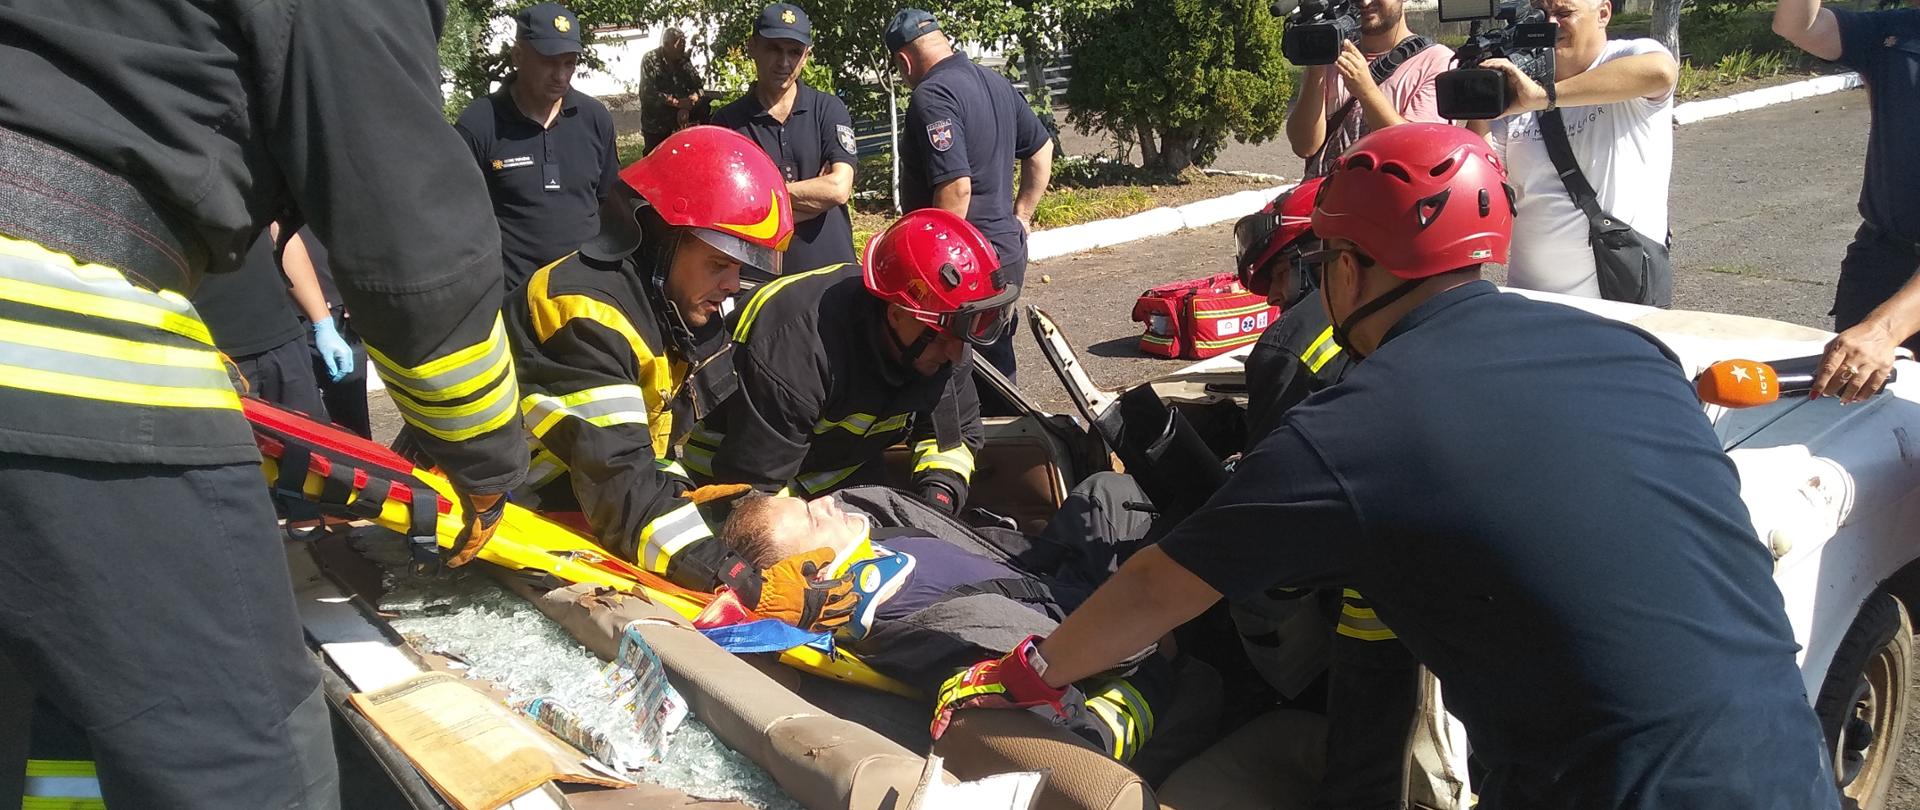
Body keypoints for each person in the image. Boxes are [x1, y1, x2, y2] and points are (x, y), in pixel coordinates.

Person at [929, 124, 1839, 809]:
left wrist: (1031, 673)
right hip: (1787, 760)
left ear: (1353, 270)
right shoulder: (1625, 353)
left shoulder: (1362, 423)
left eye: (1326, 259)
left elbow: (1161, 588)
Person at [0, 0, 530, 805]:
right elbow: (413, 250)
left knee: (59, 713)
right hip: (51, 334)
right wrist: (485, 461)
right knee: (247, 757)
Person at [506, 125, 815, 598]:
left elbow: (651, 457)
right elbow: (624, 493)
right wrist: (744, 585)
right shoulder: (586, 315)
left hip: (563, 510)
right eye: (718, 264)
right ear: (660, 237)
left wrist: (707, 516)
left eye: (741, 267)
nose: (734, 285)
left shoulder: (671, 315)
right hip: (489, 518)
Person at [717, 474, 1174, 766]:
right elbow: (1077, 744)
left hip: (1044, 580)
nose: (822, 503)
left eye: (804, 501)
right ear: (813, 579)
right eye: (811, 521)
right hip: (1098, 638)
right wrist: (1148, 670)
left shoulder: (875, 527)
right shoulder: (929, 638)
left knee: (1106, 491)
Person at [684, 208, 1000, 515]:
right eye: (945, 341)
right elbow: (753, 493)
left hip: (841, 482)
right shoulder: (799, 349)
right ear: (896, 314)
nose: (955, 355)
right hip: (736, 486)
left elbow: (951, 440)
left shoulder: (941, 333)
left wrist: (934, 507)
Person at [887, 8, 1054, 380]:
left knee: (955, 376)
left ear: (903, 60)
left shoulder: (932, 95)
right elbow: (1042, 150)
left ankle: (978, 437)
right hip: (1006, 255)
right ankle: (1009, 433)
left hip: (962, 270)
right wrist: (1022, 216)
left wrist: (935, 271)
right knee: (996, 368)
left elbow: (956, 188)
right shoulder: (994, 82)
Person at [1474, 0, 1679, 304]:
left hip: (1619, 306)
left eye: (1564, 13)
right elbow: (1482, 183)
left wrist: (1544, 97)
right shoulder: (1519, 87)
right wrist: (1481, 93)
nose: (1551, 24)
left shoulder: (1626, 56)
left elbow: (1661, 72)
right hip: (1532, 305)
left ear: (1604, 14)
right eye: (1541, 15)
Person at [1773, 0, 1920, 403]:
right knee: (1853, 418)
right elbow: (1797, 25)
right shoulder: (1896, 30)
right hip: (1881, 260)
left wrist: (1884, 329)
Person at [456, 2, 622, 292]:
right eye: (549, 61)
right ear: (518, 56)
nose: (560, 75)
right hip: (513, 301)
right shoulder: (479, 124)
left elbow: (609, 203)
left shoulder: (595, 118)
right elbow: (455, 218)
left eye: (569, 63)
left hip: (587, 296)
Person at [713, 3, 860, 273]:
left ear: (806, 56)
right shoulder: (727, 124)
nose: (784, 62)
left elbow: (838, 189)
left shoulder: (827, 109)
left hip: (833, 278)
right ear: (752, 47)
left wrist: (764, 197)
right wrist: (813, 197)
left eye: (794, 52)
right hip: (762, 284)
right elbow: (731, 207)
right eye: (773, 48)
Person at [1282, 0, 1454, 178]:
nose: (1364, 2)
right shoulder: (1330, 58)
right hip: (1327, 202)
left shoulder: (1436, 61)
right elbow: (1305, 146)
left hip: (1390, 202)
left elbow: (1421, 154)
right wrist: (1315, 67)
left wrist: (1366, 91)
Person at [639, 28, 706, 155]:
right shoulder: (651, 60)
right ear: (666, 45)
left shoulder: (684, 61)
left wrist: (689, 104)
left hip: (680, 124)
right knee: (655, 162)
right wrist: (677, 103)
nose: (682, 47)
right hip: (656, 126)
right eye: (678, 44)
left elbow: (699, 87)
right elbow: (648, 93)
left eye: (683, 44)